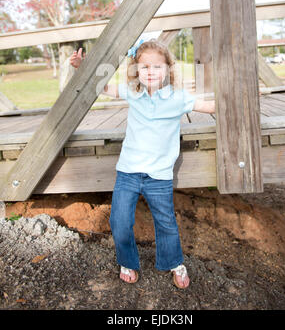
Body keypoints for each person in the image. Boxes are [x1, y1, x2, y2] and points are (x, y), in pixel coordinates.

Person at [70, 39, 215, 289]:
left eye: (157, 67)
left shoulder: (178, 98)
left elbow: (209, 106)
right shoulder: (132, 91)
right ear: (136, 70)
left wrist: (240, 97)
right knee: (119, 220)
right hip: (128, 171)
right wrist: (82, 68)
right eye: (144, 67)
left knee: (166, 221)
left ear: (168, 69)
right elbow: (102, 87)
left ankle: (174, 262)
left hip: (159, 175)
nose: (150, 72)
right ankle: (127, 261)